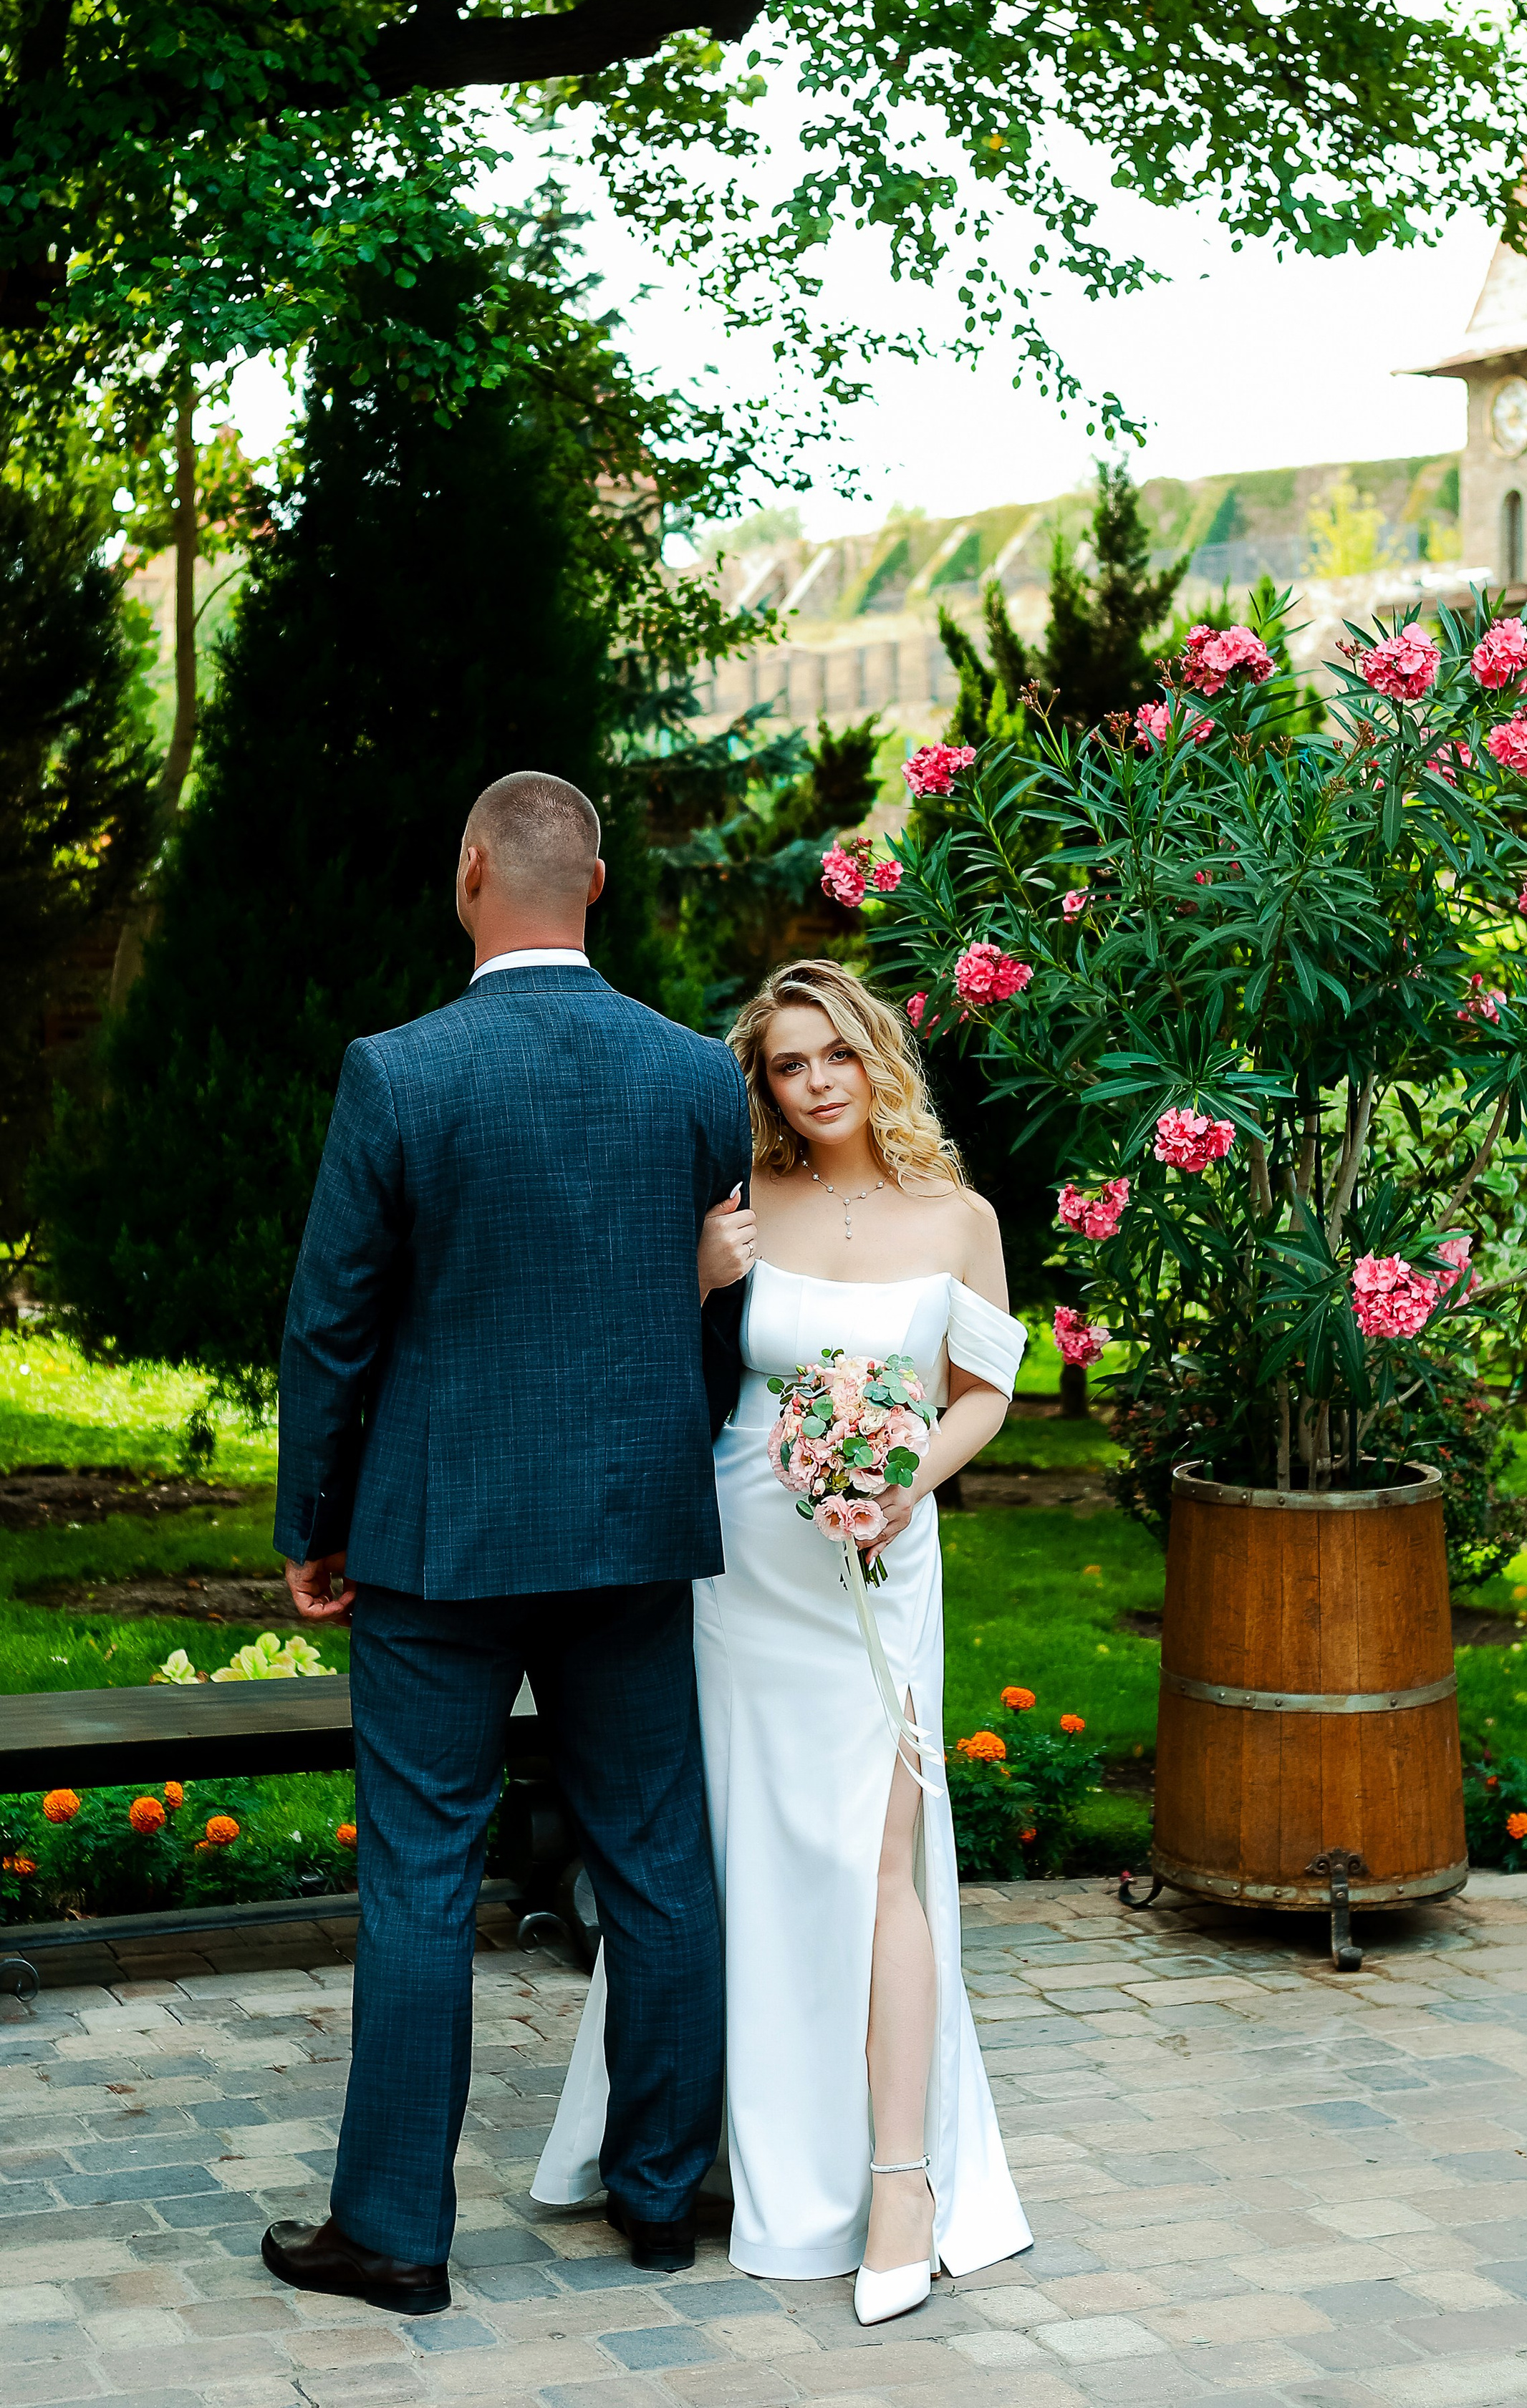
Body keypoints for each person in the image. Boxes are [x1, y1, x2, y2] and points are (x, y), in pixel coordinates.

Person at [261, 771, 753, 2317]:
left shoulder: (398, 1075)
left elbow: (332, 1324)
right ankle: (663, 2202)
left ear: (471, 869)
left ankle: (395, 2233)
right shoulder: (689, 1075)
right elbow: (720, 1313)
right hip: (628, 1523)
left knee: (418, 1878)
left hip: (434, 1539)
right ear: (593, 883)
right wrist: (670, 1450)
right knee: (659, 1860)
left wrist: (313, 1525)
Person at [534, 958, 1032, 2322]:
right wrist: (695, 1278)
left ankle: (899, 2184)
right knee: (734, 1846)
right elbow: (655, 1363)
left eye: (836, 1057)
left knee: (881, 1860)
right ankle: (700, 2138)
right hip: (742, 1555)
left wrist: (902, 1484)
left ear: (878, 1061)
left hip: (881, 1557)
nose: (815, 1084)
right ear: (762, 1086)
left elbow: (985, 1395)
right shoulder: (742, 1207)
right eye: (787, 1066)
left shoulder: (960, 1218)